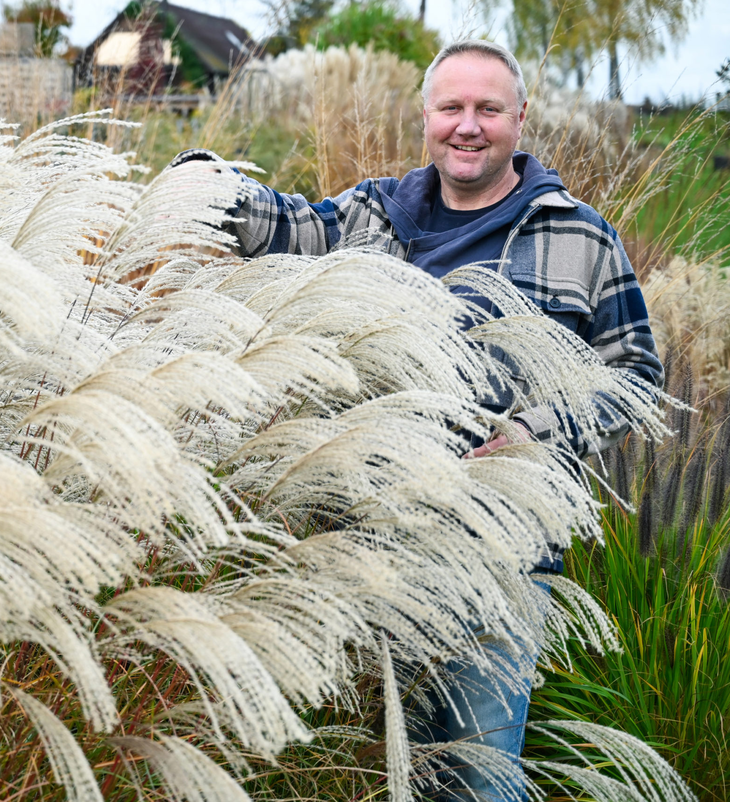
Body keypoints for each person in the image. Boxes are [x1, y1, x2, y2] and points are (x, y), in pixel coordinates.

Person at [169, 39, 663, 801]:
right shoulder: (374, 214)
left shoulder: (579, 235)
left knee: (472, 773)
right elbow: (285, 225)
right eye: (452, 108)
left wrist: (536, 431)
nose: (469, 126)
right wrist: (206, 182)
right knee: (348, 766)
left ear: (520, 120)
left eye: (488, 110)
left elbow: (636, 374)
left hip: (498, 554)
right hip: (359, 542)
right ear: (427, 119)